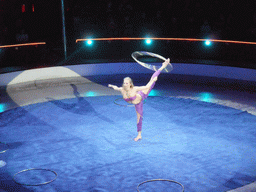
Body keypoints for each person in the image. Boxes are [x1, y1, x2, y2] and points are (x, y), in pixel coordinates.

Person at [108, 58, 170, 141]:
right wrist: (112, 86)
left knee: (152, 79)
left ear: (130, 84)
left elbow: (147, 87)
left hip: (142, 94)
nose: (125, 84)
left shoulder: (135, 88)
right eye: (124, 83)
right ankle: (139, 135)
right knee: (138, 118)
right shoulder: (122, 89)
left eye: (126, 83)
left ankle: (163, 66)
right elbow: (116, 88)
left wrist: (153, 81)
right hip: (137, 103)